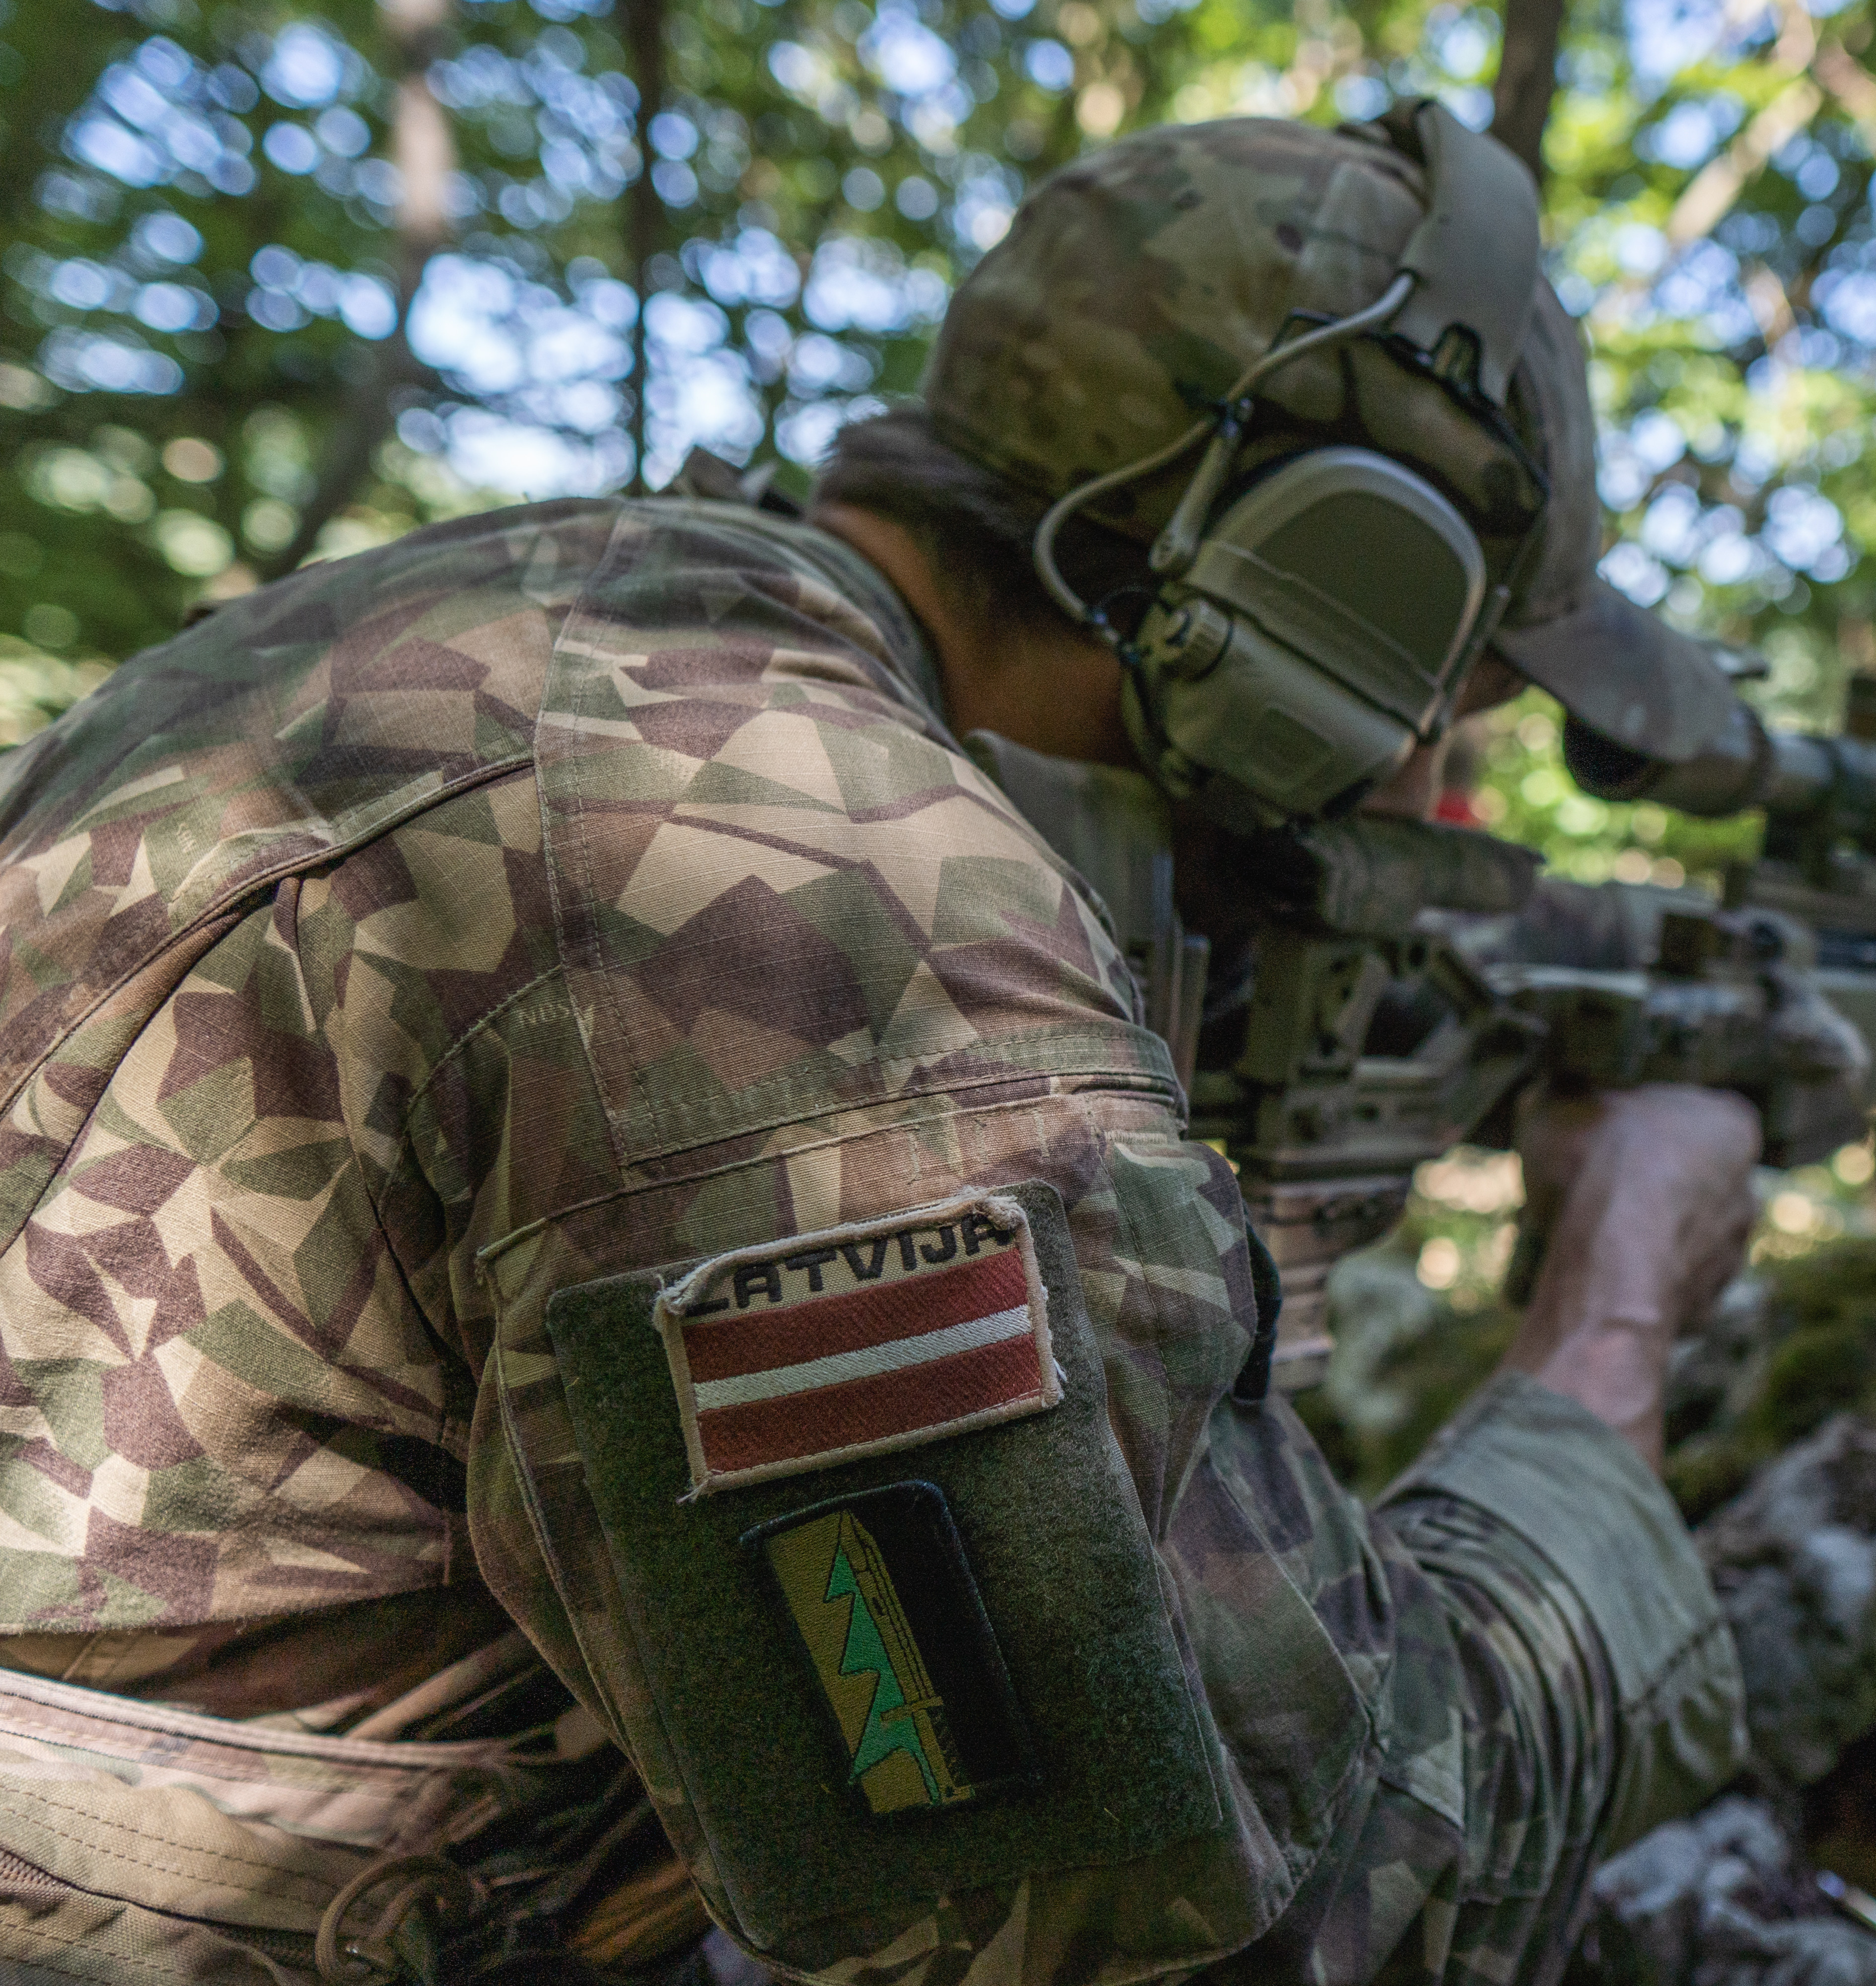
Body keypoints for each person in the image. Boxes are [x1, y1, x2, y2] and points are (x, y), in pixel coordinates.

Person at [0, 104, 1762, 1986]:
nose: (1436, 787)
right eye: (1444, 699)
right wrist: (1614, 1314)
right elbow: (1275, 1921)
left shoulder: (536, 621)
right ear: (1316, 602)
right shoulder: (792, 891)